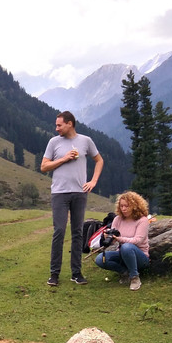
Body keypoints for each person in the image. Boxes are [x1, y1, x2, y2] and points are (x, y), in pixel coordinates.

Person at [41, 110, 104, 286]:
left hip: (79, 193)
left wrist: (93, 181)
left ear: (70, 124)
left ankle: (76, 273)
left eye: (59, 125)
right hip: (59, 193)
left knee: (77, 232)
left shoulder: (86, 141)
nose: (57, 128)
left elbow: (99, 160)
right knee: (59, 231)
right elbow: (44, 167)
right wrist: (63, 159)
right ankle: (54, 274)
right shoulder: (54, 142)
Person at [93, 191, 150, 290]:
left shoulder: (142, 220)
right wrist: (108, 237)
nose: (123, 209)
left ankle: (134, 277)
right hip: (122, 254)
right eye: (121, 206)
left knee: (126, 247)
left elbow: (138, 240)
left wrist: (120, 238)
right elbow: (114, 241)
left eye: (127, 206)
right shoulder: (117, 219)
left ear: (135, 206)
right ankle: (124, 272)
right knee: (100, 259)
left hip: (140, 257)